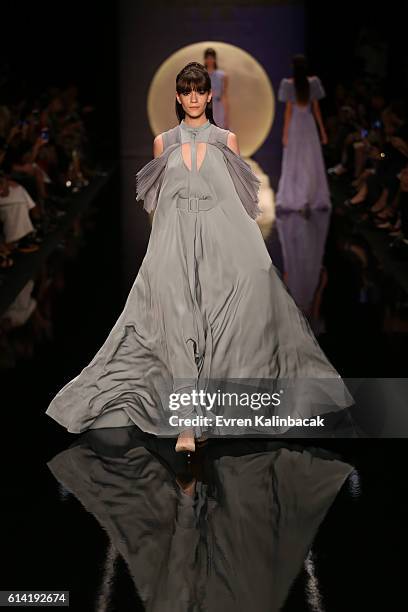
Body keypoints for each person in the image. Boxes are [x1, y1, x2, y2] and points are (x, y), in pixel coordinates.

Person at [45, 62, 354, 454]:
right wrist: (154, 261)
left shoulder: (227, 140)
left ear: (210, 95)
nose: (193, 97)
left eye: (199, 90)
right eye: (186, 91)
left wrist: (256, 261)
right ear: (178, 97)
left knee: (217, 331)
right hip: (174, 246)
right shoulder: (163, 143)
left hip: (219, 245)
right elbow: (158, 210)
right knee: (177, 329)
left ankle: (205, 416)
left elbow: (241, 206)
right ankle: (187, 427)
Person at [275, 54, 331, 316]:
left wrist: (286, 134)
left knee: (300, 162)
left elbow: (292, 111)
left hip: (300, 124)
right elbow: (316, 111)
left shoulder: (294, 84)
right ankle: (306, 196)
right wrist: (322, 131)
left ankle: (300, 197)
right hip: (305, 124)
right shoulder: (303, 83)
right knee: (307, 162)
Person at [203, 48, 229, 128]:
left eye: (212, 58)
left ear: (215, 59)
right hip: (205, 107)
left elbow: (224, 95)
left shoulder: (222, 76)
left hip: (218, 107)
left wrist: (227, 117)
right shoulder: (201, 75)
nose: (210, 60)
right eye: (208, 58)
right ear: (205, 59)